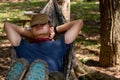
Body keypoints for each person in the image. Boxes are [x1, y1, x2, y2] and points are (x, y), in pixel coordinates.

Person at [4, 14, 83, 80]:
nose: (38, 25)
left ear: (50, 27)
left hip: (50, 77)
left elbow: (78, 23)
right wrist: (31, 34)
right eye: (35, 25)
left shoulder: (59, 44)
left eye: (42, 24)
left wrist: (55, 29)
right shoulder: (23, 45)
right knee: (23, 67)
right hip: (25, 73)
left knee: (57, 76)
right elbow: (8, 26)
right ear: (31, 29)